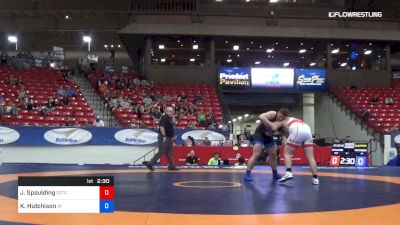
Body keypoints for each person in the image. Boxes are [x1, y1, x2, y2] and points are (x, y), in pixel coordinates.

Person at [260, 109, 319, 185]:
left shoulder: (280, 121)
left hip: (298, 129)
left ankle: (288, 172)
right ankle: (315, 178)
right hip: (307, 129)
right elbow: (288, 134)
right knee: (311, 158)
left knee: (287, 153)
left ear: (282, 116)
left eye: (280, 116)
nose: (279, 118)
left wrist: (269, 125)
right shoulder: (293, 119)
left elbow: (274, 127)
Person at [243, 109, 283, 182]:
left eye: (282, 117)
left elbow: (285, 132)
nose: (280, 118)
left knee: (273, 155)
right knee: (256, 154)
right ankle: (247, 174)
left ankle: (275, 174)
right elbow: (261, 116)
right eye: (280, 116)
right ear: (278, 113)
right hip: (259, 135)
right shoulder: (273, 114)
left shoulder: (282, 121)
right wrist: (271, 124)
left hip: (268, 137)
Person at [145, 107, 178, 171]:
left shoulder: (170, 118)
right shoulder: (164, 117)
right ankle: (150, 163)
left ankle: (171, 166)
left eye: (172, 111)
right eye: (171, 111)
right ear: (166, 112)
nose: (172, 112)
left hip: (169, 137)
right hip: (165, 137)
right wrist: (164, 136)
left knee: (169, 152)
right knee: (161, 152)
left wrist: (173, 121)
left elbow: (170, 126)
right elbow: (161, 126)